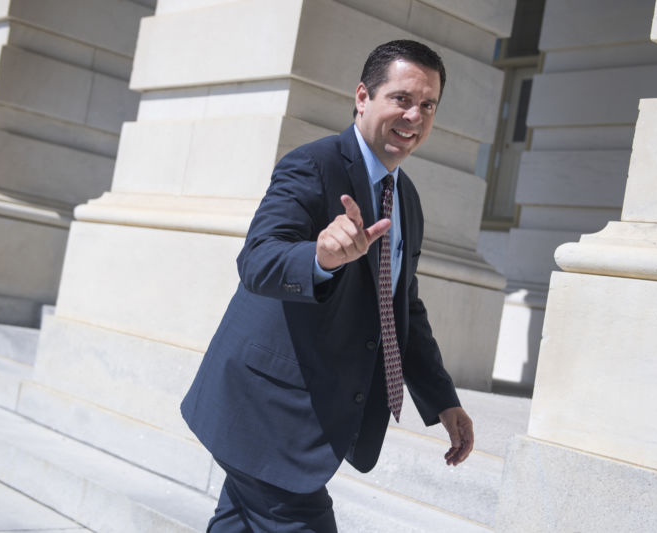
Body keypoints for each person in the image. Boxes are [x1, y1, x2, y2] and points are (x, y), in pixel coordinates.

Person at [181, 39, 474, 532]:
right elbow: (257, 260)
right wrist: (318, 257)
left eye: (428, 105)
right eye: (401, 99)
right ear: (363, 97)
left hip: (296, 418)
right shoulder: (312, 165)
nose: (415, 117)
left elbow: (400, 305)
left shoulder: (408, 200)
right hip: (266, 410)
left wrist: (441, 398)